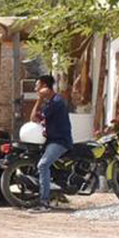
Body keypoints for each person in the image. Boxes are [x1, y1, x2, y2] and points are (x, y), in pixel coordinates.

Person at [31, 74, 74, 210]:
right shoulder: (49, 103)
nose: (35, 89)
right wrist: (40, 99)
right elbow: (33, 118)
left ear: (44, 86)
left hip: (60, 141)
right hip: (50, 140)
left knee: (43, 165)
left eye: (37, 86)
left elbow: (37, 117)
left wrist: (39, 99)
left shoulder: (56, 102)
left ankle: (44, 201)